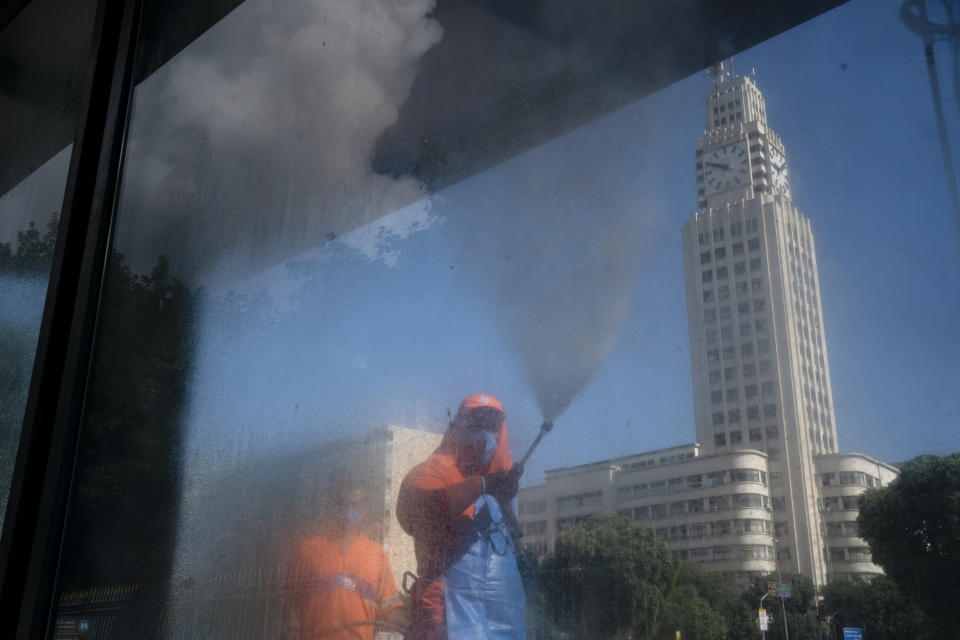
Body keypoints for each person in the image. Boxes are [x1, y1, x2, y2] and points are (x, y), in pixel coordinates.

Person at [397, 393, 526, 640]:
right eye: (477, 423)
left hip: (502, 623)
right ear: (459, 427)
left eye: (493, 426)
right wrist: (483, 484)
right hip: (443, 617)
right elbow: (415, 511)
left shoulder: (502, 491)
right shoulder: (433, 471)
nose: (487, 433)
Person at [286, 483, 405, 640]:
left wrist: (416, 627)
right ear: (336, 509)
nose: (350, 510)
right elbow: (293, 602)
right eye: (344, 504)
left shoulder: (377, 555)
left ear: (364, 510)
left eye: (356, 505)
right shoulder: (310, 549)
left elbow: (390, 609)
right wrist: (293, 631)